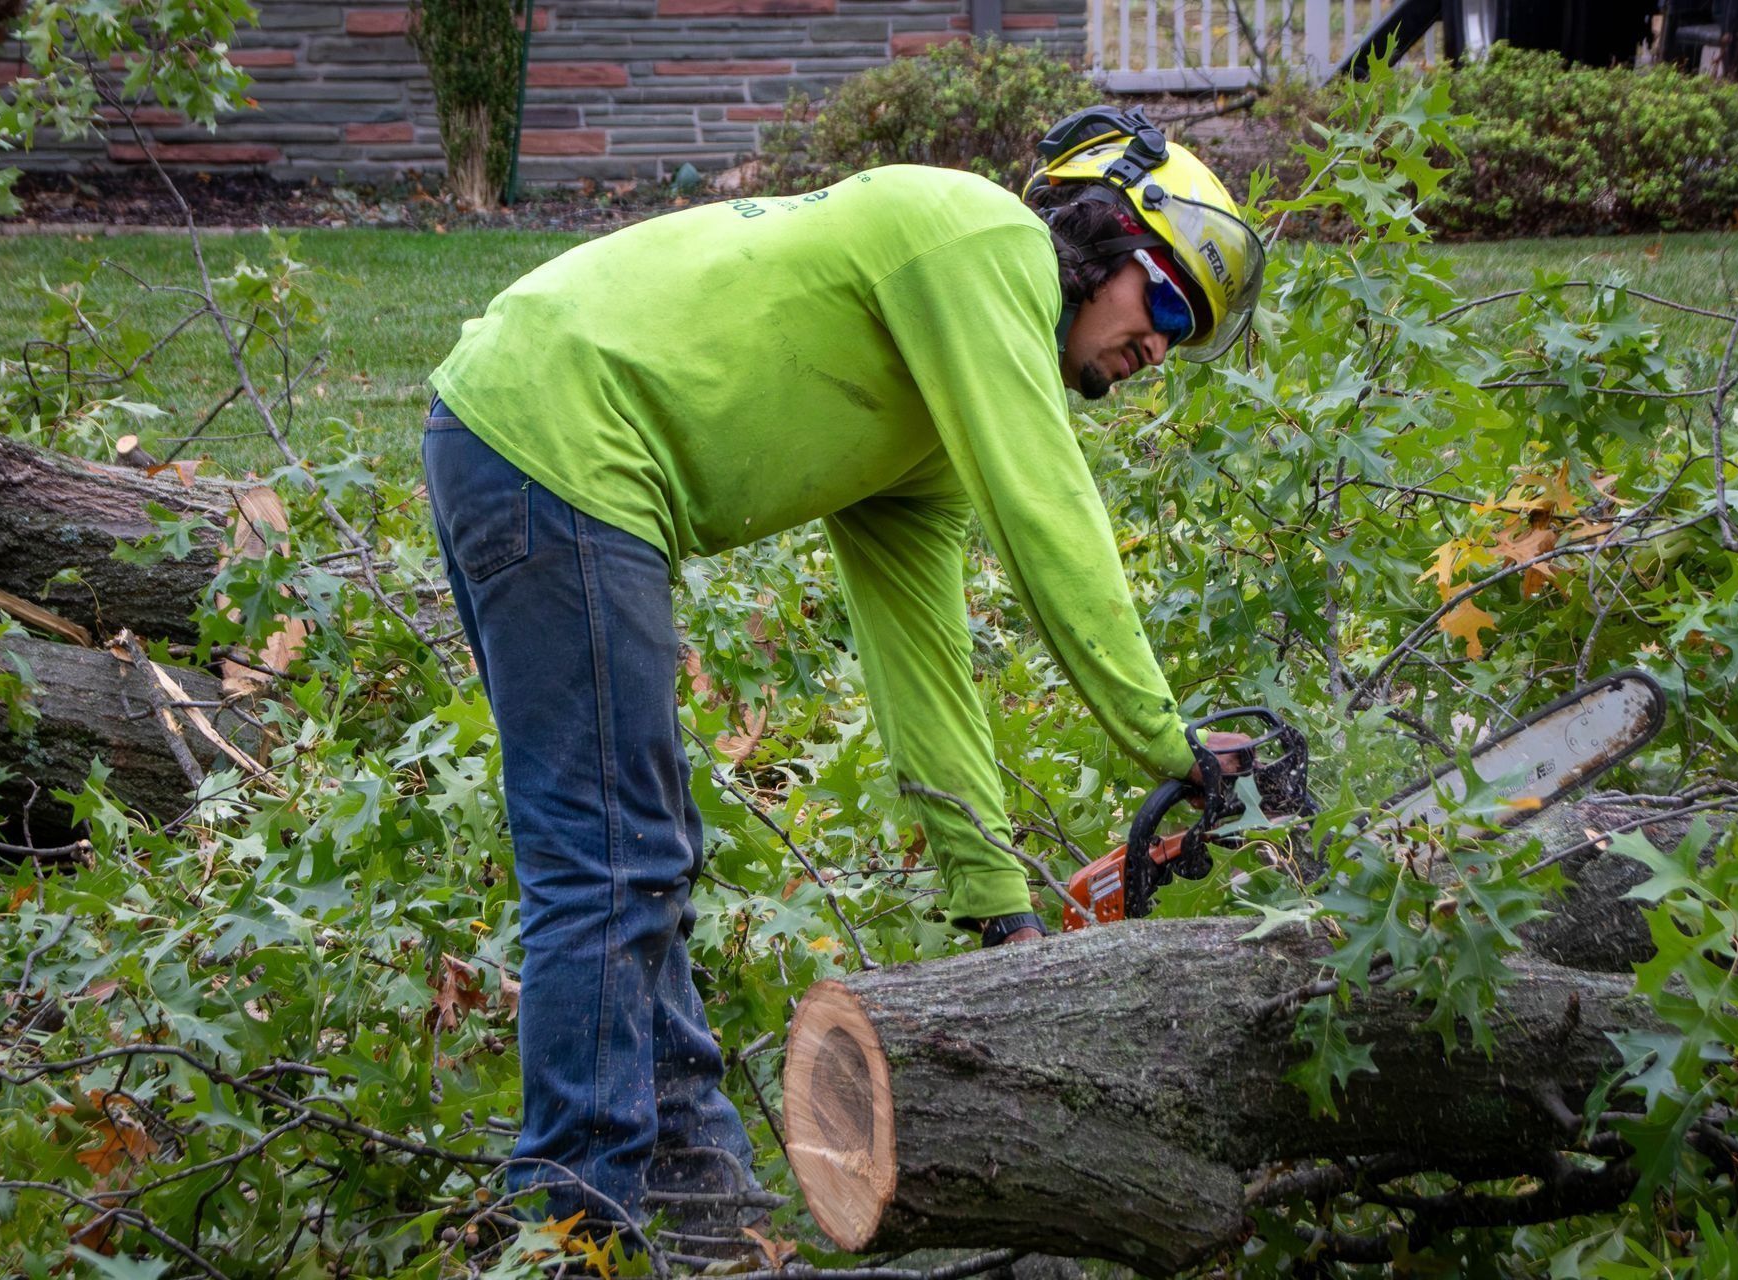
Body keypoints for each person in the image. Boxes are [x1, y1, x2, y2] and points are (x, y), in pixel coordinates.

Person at [419, 106, 1264, 1231]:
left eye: (1182, 339)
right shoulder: (981, 241)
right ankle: (568, 1225)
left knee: (641, 851)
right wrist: (1174, 742)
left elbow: (923, 656)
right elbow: (1050, 520)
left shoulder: (925, 415)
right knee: (611, 860)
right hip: (559, 432)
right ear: (1099, 236)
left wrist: (999, 912)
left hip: (536, 443)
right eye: (1163, 304)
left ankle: (698, 1205)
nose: (1158, 348)